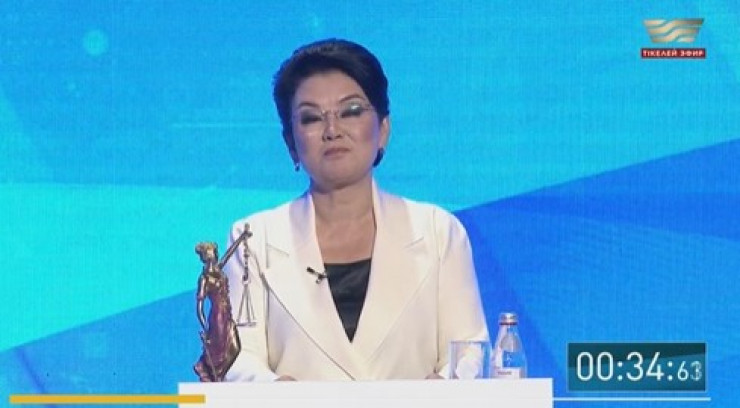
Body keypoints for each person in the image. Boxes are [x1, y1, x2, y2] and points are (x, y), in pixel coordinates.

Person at [221, 38, 488, 381]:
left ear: (383, 130)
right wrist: (276, 390)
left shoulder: (438, 231)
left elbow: (469, 350)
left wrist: (441, 387)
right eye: (311, 118)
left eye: (351, 111)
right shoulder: (252, 241)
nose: (333, 131)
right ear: (291, 144)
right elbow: (238, 358)